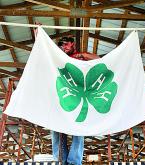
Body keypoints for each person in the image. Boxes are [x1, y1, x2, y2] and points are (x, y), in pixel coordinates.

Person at [51, 37, 99, 165]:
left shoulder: (79, 57)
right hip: (62, 97)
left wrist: (82, 54)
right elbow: (44, 51)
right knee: (56, 127)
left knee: (79, 128)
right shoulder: (57, 58)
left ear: (73, 44)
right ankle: (60, 160)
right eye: (62, 45)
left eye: (66, 44)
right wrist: (38, 34)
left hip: (78, 96)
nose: (64, 47)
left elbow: (99, 59)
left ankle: (74, 161)